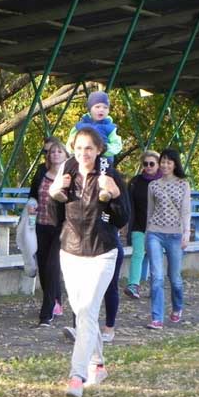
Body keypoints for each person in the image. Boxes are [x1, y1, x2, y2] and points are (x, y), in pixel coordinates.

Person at [49, 126, 129, 397]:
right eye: (80, 148)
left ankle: (76, 375)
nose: (84, 153)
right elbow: (56, 214)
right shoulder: (66, 173)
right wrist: (56, 192)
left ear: (98, 150)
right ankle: (98, 363)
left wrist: (116, 195)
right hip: (70, 251)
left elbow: (122, 219)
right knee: (83, 311)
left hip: (102, 251)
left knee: (87, 312)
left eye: (89, 148)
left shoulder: (109, 174)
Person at [62, 90, 123, 342]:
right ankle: (80, 326)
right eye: (97, 107)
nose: (101, 111)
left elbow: (117, 145)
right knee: (79, 290)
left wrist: (108, 149)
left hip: (103, 236)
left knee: (104, 285)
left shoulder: (110, 132)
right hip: (77, 240)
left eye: (105, 108)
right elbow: (68, 144)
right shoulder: (72, 170)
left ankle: (107, 327)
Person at [145, 148, 191, 330]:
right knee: (156, 276)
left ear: (174, 164)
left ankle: (177, 307)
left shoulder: (183, 184)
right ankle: (157, 318)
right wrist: (148, 229)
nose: (164, 165)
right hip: (155, 232)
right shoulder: (153, 185)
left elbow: (186, 210)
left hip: (175, 234)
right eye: (162, 161)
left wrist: (186, 233)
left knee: (175, 278)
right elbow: (150, 210)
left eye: (168, 162)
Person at [28, 137, 67, 327]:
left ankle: (46, 314)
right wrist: (31, 205)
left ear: (66, 155)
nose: (55, 154)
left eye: (59, 151)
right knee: (43, 269)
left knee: (52, 268)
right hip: (41, 225)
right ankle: (53, 300)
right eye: (52, 152)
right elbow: (33, 195)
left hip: (61, 228)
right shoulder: (42, 173)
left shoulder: (70, 175)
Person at [124, 150, 162, 299]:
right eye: (145, 164)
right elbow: (128, 204)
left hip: (158, 227)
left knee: (155, 257)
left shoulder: (164, 182)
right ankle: (133, 285)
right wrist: (126, 223)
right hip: (138, 224)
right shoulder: (135, 182)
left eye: (152, 164)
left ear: (158, 164)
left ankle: (156, 286)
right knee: (138, 253)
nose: (148, 166)